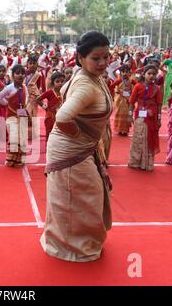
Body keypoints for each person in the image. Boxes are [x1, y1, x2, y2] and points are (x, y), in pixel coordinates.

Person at [40, 31, 113, 262]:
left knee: (85, 194)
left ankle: (77, 240)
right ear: (81, 58)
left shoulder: (87, 76)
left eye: (106, 57)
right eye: (96, 58)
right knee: (81, 194)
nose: (102, 63)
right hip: (72, 149)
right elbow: (62, 118)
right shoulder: (86, 85)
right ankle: (71, 247)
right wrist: (80, 136)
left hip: (81, 147)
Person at [128, 65, 163, 171]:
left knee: (149, 139)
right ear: (144, 74)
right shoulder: (138, 86)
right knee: (138, 138)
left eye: (154, 74)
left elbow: (159, 105)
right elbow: (131, 102)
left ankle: (147, 164)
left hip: (152, 118)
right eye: (149, 73)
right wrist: (129, 115)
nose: (152, 76)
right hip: (140, 116)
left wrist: (159, 119)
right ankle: (135, 162)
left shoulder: (157, 89)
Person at [0, 64, 29, 167]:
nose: (20, 75)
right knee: (14, 137)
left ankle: (19, 160)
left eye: (22, 73)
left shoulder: (24, 87)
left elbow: (26, 99)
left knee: (22, 138)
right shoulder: (9, 88)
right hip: (11, 116)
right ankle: (11, 160)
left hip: (22, 116)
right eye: (17, 73)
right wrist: (6, 103)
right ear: (12, 75)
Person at [36, 71, 64, 142]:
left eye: (62, 81)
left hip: (61, 116)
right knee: (49, 132)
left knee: (60, 133)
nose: (60, 83)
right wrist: (45, 107)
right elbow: (38, 100)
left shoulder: (64, 92)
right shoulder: (50, 92)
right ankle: (48, 148)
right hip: (50, 117)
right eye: (57, 81)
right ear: (53, 83)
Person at [113, 65, 134, 136]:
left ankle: (125, 130)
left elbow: (138, 85)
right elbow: (112, 86)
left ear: (129, 73)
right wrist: (119, 91)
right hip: (120, 100)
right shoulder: (119, 80)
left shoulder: (131, 80)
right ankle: (119, 130)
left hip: (128, 100)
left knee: (127, 115)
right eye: (123, 72)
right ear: (121, 72)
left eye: (127, 72)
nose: (125, 73)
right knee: (120, 114)